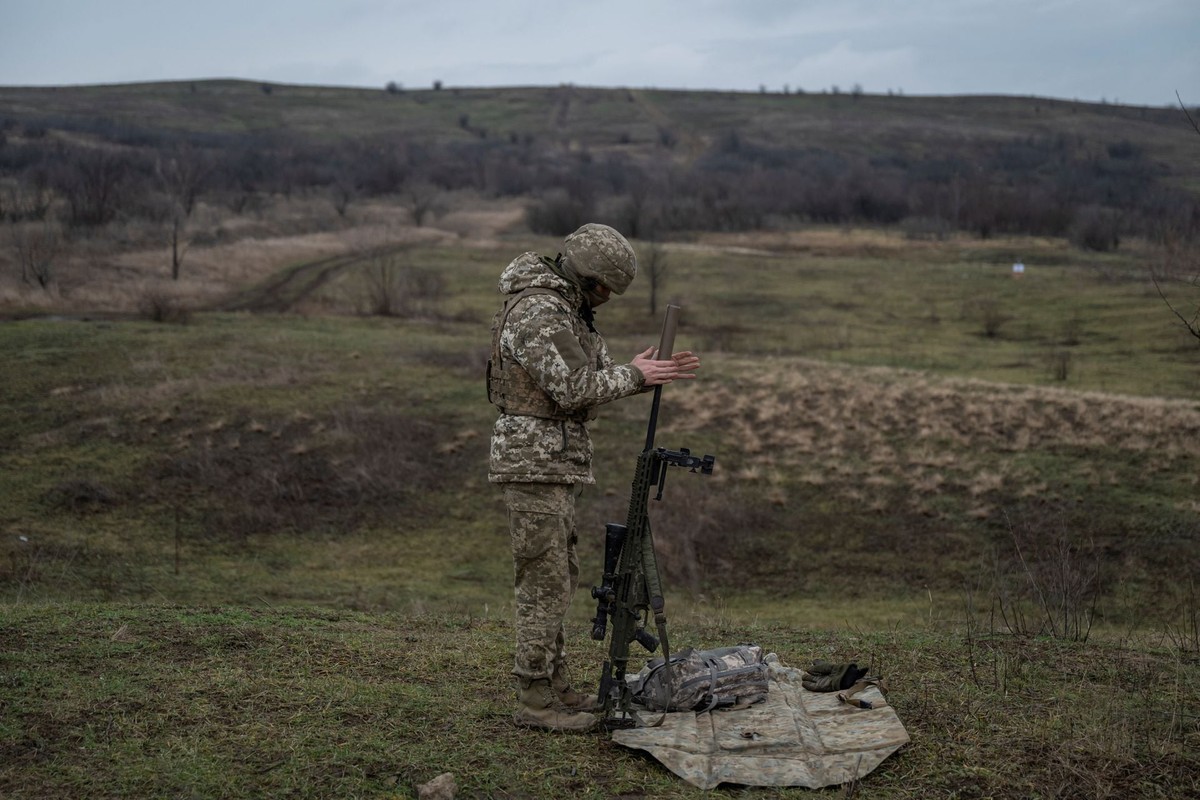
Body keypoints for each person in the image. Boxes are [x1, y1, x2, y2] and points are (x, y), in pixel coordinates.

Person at [487, 223, 700, 732]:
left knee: (559, 577)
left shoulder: (566, 308)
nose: (606, 299)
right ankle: (534, 700)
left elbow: (593, 375)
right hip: (533, 462)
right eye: (604, 288)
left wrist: (637, 370)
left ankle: (555, 687)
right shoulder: (540, 310)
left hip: (552, 463)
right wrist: (635, 377)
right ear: (587, 276)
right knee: (543, 582)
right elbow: (574, 387)